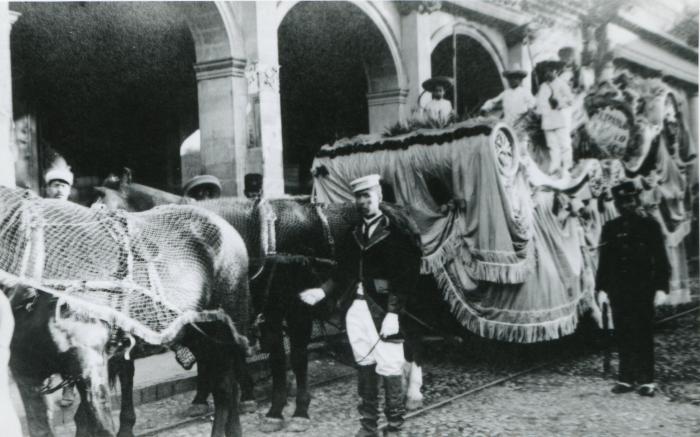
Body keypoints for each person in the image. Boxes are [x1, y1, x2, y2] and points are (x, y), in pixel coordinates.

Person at [299, 174, 421, 437]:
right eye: (359, 197)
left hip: (382, 310)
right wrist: (321, 292)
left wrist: (393, 313)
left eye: (368, 196)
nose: (363, 202)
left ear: (379, 197)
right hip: (355, 310)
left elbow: (406, 277)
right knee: (364, 364)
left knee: (389, 366)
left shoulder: (396, 234)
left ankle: (394, 429)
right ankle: (368, 427)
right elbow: (342, 272)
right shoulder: (351, 234)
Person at [595, 181, 671, 397]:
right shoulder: (610, 228)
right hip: (619, 290)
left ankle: (647, 379)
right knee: (623, 331)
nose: (627, 205)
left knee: (644, 331)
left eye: (630, 200)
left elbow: (661, 259)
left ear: (636, 200)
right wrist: (601, 288)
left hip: (643, 288)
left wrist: (661, 288)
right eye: (622, 202)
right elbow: (605, 262)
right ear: (617, 205)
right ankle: (626, 378)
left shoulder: (650, 226)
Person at [42, 156, 77, 408]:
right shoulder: (38, 209)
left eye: (62, 186)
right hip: (42, 279)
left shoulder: (77, 214)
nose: (58, 190)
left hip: (72, 282)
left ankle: (70, 386)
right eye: (54, 185)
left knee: (72, 334)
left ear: (68, 190)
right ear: (47, 188)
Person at [536, 59, 575, 178]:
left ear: (555, 71)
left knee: (564, 143)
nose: (547, 74)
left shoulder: (561, 83)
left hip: (558, 117)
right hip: (547, 120)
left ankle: (567, 166)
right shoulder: (543, 86)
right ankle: (555, 167)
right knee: (552, 145)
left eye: (549, 71)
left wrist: (559, 103)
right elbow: (539, 102)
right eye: (545, 72)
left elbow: (570, 100)